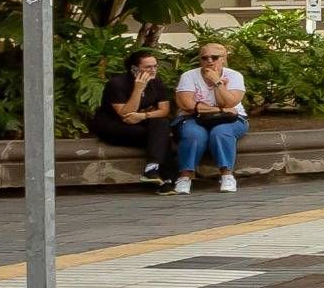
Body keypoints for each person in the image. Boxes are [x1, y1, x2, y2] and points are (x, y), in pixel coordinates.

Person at [88, 50, 178, 189]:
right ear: (134, 68)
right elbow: (126, 115)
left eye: (155, 66)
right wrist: (138, 89)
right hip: (114, 126)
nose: (153, 70)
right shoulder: (117, 84)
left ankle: (153, 170)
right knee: (161, 138)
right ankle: (167, 180)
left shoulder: (156, 82)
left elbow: (164, 111)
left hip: (139, 122)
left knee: (161, 124)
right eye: (148, 67)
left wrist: (143, 115)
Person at [171, 41, 250, 194]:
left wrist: (217, 82)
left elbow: (231, 101)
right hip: (194, 117)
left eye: (214, 57)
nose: (209, 61)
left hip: (230, 120)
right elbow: (187, 104)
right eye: (204, 58)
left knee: (221, 132)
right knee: (193, 134)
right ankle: (185, 177)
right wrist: (221, 109)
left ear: (224, 59)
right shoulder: (189, 76)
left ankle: (227, 175)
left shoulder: (234, 76)